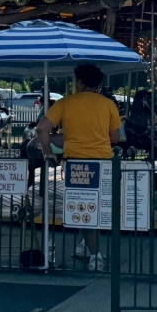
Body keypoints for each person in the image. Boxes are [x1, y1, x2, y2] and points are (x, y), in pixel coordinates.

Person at [36, 63, 122, 271]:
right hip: (103, 163)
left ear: (81, 82)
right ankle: (88, 247)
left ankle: (94, 255)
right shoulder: (108, 104)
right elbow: (115, 137)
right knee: (97, 209)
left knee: (83, 209)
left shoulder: (66, 103)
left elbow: (42, 128)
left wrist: (48, 151)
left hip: (77, 164)